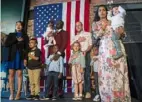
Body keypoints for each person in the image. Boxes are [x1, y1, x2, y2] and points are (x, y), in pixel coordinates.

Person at [92, 5, 131, 102]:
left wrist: (122, 33)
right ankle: (108, 98)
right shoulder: (95, 24)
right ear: (97, 13)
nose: (102, 12)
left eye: (104, 10)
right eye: (100, 10)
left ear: (107, 11)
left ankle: (121, 98)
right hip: (105, 50)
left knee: (119, 73)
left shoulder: (113, 20)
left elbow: (122, 35)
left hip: (117, 48)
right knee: (107, 74)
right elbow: (95, 38)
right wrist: (103, 28)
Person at [5, 21, 29, 100]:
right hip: (12, 57)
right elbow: (6, 44)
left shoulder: (25, 36)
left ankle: (18, 93)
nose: (18, 26)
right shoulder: (11, 35)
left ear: (22, 27)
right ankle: (11, 93)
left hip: (20, 57)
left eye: (20, 25)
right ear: (15, 26)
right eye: (17, 25)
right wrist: (15, 40)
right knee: (11, 75)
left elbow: (27, 48)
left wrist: (25, 58)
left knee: (19, 75)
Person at [72, 21, 92, 98]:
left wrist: (86, 51)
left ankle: (87, 91)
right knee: (79, 74)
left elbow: (90, 45)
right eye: (76, 26)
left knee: (86, 73)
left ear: (82, 26)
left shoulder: (88, 34)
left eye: (79, 25)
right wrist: (78, 40)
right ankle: (81, 92)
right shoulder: (74, 37)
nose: (78, 27)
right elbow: (71, 47)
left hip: (85, 54)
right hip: (77, 56)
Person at [49, 20, 68, 97]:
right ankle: (51, 90)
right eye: (56, 23)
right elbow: (49, 42)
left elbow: (64, 42)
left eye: (59, 23)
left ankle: (59, 91)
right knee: (52, 72)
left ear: (62, 25)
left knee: (59, 72)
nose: (57, 24)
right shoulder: (53, 32)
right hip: (52, 53)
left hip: (60, 54)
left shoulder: (64, 32)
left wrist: (59, 53)